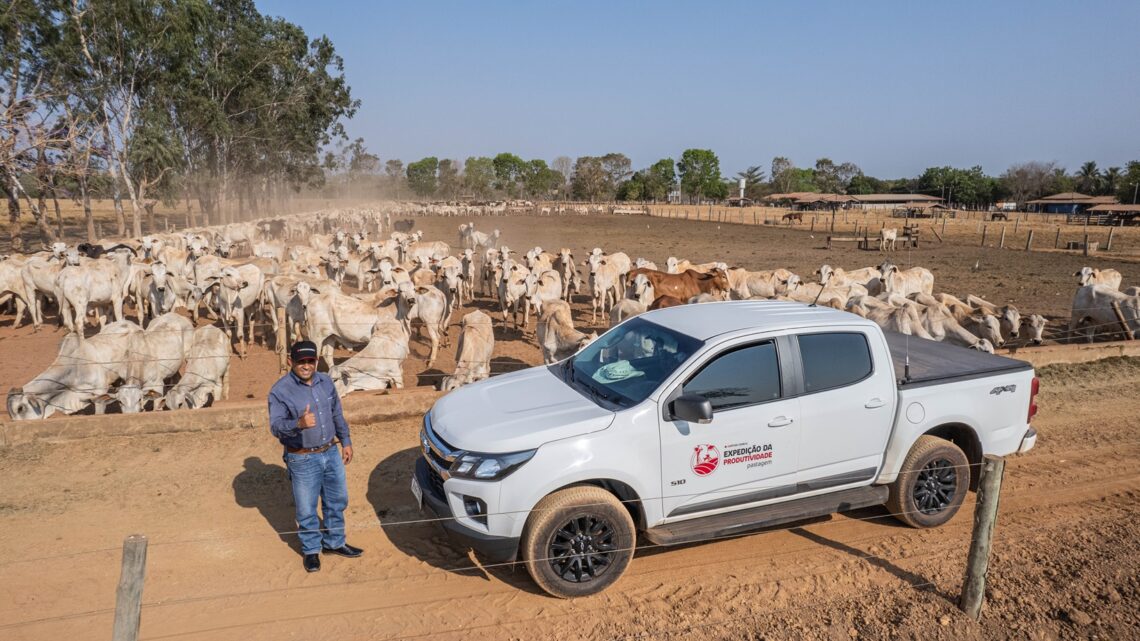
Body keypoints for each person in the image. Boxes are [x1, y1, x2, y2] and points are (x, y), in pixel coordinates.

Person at [268, 340, 362, 572]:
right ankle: (311, 550)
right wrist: (298, 423)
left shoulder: (326, 381)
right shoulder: (280, 391)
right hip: (302, 458)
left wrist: (346, 441)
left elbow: (336, 413)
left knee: (337, 501)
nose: (306, 365)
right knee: (307, 509)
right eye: (301, 361)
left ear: (316, 361)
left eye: (311, 361)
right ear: (291, 362)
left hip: (330, 451)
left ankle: (334, 542)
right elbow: (276, 427)